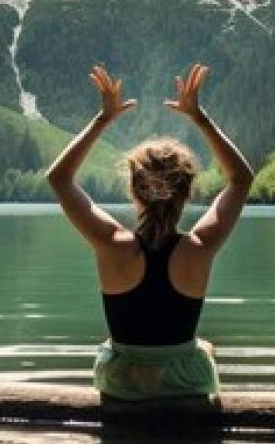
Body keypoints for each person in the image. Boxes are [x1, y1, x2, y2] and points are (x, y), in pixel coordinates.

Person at [45, 63, 254, 402]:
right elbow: (242, 179)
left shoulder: (112, 244)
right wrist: (200, 119)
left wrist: (104, 118)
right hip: (185, 384)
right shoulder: (199, 248)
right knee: (205, 347)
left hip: (122, 384)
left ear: (134, 191)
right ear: (188, 192)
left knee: (108, 346)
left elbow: (59, 178)